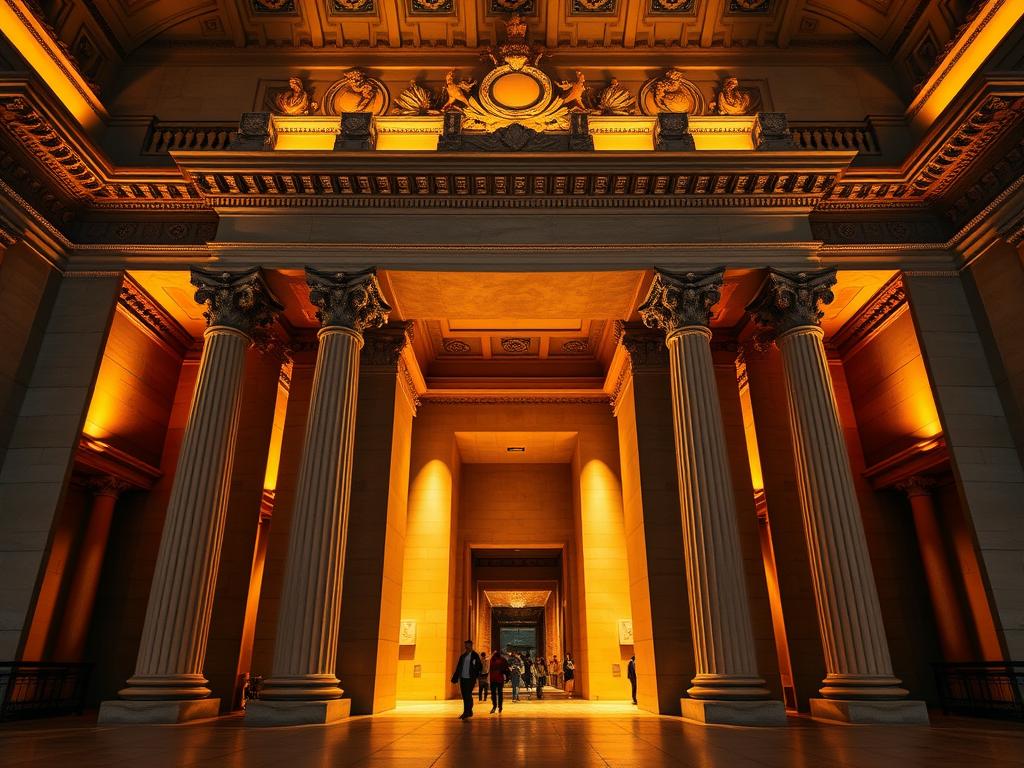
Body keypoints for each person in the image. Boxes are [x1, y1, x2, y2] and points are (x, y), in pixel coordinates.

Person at [451, 640, 483, 719]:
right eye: (466, 645)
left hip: (470, 679)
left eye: (468, 645)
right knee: (465, 695)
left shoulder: (475, 655)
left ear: (471, 645)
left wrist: (475, 673)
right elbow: (459, 667)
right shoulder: (463, 656)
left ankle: (466, 712)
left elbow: (480, 667)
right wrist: (455, 677)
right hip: (463, 678)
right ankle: (469, 711)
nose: (466, 647)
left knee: (468, 695)